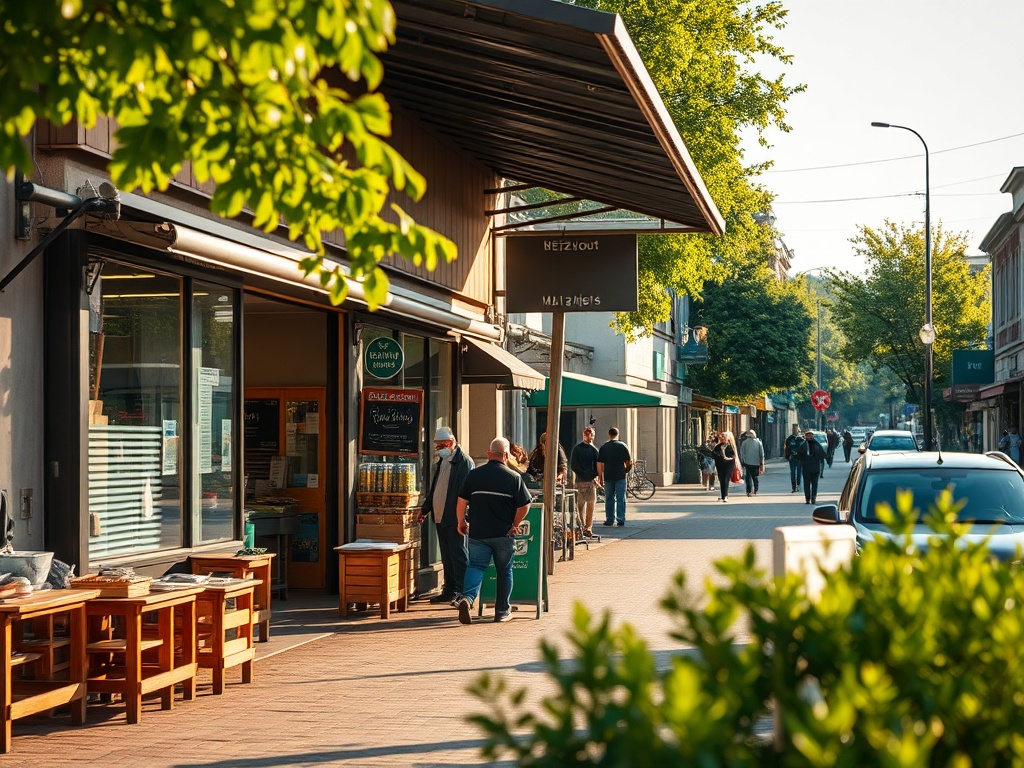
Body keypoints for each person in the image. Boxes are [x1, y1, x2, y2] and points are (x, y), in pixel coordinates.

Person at [455, 437, 532, 625]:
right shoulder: (514, 477)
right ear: (506, 455)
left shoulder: (474, 475)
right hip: (503, 534)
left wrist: (461, 521)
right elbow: (525, 505)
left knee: (475, 566)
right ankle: (502, 611)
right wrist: (515, 524)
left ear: (489, 454)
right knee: (504, 571)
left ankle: (468, 599)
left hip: (478, 533)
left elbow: (461, 501)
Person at [418, 427, 474, 605]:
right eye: (438, 445)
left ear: (451, 442)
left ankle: (463, 592)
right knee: (447, 556)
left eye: (442, 444)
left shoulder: (463, 462)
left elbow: (465, 493)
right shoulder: (442, 460)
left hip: (454, 517)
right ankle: (450, 589)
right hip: (440, 516)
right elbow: (436, 489)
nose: (440, 448)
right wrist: (425, 509)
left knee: (458, 555)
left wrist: (462, 518)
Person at [569, 425, 601, 537]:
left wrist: (582, 474)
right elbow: (598, 467)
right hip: (587, 481)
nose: (589, 437)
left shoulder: (578, 449)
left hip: (581, 480)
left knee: (583, 505)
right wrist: (591, 475)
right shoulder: (593, 450)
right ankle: (585, 527)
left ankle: (585, 527)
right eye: (588, 435)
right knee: (585, 505)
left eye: (590, 435)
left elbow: (574, 465)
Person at [597, 427, 632, 526]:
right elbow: (629, 461)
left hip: (608, 475)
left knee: (609, 498)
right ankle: (620, 519)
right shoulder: (623, 446)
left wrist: (600, 477)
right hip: (620, 476)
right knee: (621, 498)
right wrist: (626, 471)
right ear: (618, 435)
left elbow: (599, 463)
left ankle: (610, 519)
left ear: (609, 435)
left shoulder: (604, 447)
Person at [700, 431, 737, 502]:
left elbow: (734, 456)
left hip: (729, 464)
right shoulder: (718, 446)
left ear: (728, 438)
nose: (723, 438)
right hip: (720, 464)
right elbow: (713, 454)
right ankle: (723, 496)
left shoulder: (731, 446)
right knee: (721, 479)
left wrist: (727, 458)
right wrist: (718, 455)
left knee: (726, 479)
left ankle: (725, 496)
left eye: (724, 437)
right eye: (722, 437)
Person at [798, 428, 828, 505]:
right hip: (811, 468)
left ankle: (810, 497)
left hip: (810, 468)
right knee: (812, 483)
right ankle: (810, 498)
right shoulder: (816, 445)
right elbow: (823, 455)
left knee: (809, 483)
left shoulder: (804, 445)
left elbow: (798, 456)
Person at [738, 429, 765, 497]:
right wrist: (762, 462)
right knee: (755, 477)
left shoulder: (744, 443)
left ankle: (748, 491)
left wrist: (742, 461)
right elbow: (761, 453)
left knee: (748, 477)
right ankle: (756, 489)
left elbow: (742, 453)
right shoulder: (759, 442)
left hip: (747, 462)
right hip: (756, 463)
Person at [784, 425, 805, 493]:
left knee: (799, 472)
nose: (795, 431)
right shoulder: (790, 439)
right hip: (792, 457)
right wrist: (787, 456)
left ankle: (798, 485)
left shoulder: (801, 439)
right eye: (794, 429)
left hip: (799, 458)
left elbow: (804, 449)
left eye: (796, 429)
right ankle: (794, 487)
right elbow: (787, 448)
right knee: (793, 472)